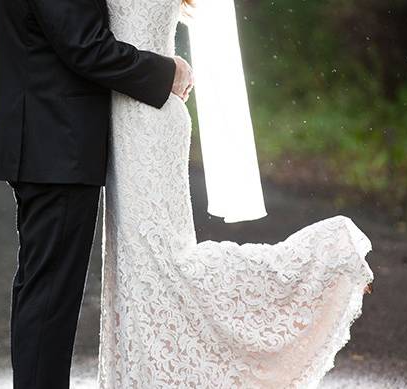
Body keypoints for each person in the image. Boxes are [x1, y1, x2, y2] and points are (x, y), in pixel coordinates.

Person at [97, 0, 374, 388]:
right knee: (143, 267)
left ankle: (326, 258)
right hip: (139, 113)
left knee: (162, 265)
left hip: (145, 118)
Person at [0, 0, 194, 388]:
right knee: (49, 296)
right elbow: (85, 45)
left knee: (42, 288)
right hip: (55, 142)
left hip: (43, 137)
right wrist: (165, 72)